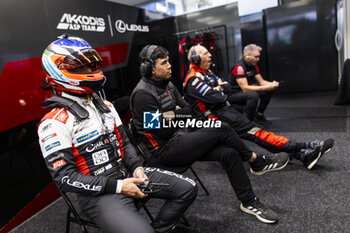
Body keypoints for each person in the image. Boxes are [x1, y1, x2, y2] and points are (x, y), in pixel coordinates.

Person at [37, 35, 198, 233]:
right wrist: (118, 186)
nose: (89, 71)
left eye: (91, 64)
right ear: (58, 70)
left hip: (130, 175)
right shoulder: (53, 122)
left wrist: (137, 166)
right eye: (80, 67)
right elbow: (64, 178)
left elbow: (126, 144)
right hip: (99, 195)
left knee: (188, 188)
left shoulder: (106, 106)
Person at [131, 44, 291, 224]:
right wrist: (175, 116)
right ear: (149, 69)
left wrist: (170, 116)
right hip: (163, 152)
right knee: (221, 127)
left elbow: (188, 109)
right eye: (164, 63)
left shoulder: (167, 83)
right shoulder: (142, 95)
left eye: (168, 61)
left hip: (179, 139)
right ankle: (256, 161)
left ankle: (249, 201)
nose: (170, 66)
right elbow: (162, 128)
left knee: (229, 153)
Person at [183, 44, 334, 170]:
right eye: (206, 53)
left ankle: (302, 155)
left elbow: (227, 87)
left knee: (257, 133)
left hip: (225, 112)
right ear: (196, 58)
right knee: (258, 133)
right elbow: (220, 96)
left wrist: (219, 89)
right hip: (217, 119)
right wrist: (219, 90)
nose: (210, 55)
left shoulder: (207, 73)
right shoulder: (194, 80)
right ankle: (306, 146)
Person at [227, 44, 278, 122]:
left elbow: (262, 82)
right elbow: (245, 88)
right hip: (234, 94)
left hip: (244, 91)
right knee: (253, 95)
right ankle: (249, 121)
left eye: (258, 57)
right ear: (247, 56)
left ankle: (259, 115)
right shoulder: (239, 68)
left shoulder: (253, 65)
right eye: (256, 57)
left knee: (269, 90)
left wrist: (271, 84)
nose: (258, 59)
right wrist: (266, 87)